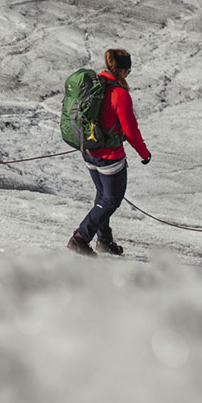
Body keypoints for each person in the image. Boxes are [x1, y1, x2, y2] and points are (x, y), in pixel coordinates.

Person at [66, 48, 150, 257]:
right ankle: (80, 238)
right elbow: (130, 130)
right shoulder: (119, 94)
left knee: (102, 197)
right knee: (111, 200)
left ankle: (104, 241)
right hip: (109, 156)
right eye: (128, 71)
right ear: (122, 71)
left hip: (88, 151)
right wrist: (144, 153)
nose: (128, 75)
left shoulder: (94, 85)